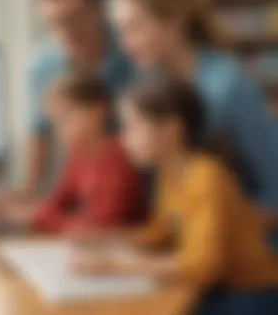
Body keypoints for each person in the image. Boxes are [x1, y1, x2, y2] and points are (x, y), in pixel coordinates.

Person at [71, 79, 278, 315]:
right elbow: (161, 233)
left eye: (133, 126)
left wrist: (115, 266)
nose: (124, 138)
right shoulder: (168, 172)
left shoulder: (206, 176)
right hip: (216, 288)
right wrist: (106, 239)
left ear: (172, 128)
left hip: (254, 294)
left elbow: (203, 265)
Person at [109, 0, 278, 230]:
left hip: (242, 251)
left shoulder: (227, 86)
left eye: (135, 27)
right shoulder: (148, 85)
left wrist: (211, 226)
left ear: (175, 21)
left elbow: (275, 193)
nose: (125, 42)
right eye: (120, 31)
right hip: (183, 244)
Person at [0, 0, 134, 215]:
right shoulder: (42, 67)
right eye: (54, 23)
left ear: (98, 6)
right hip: (87, 189)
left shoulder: (133, 51)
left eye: (74, 18)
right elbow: (39, 134)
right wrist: (28, 191)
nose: (66, 32)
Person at [0, 75, 143, 233]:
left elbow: (100, 227)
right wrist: (20, 205)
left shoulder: (118, 157)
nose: (59, 130)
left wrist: (36, 214)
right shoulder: (79, 155)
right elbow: (59, 202)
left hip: (117, 248)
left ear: (97, 112)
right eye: (55, 122)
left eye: (65, 118)